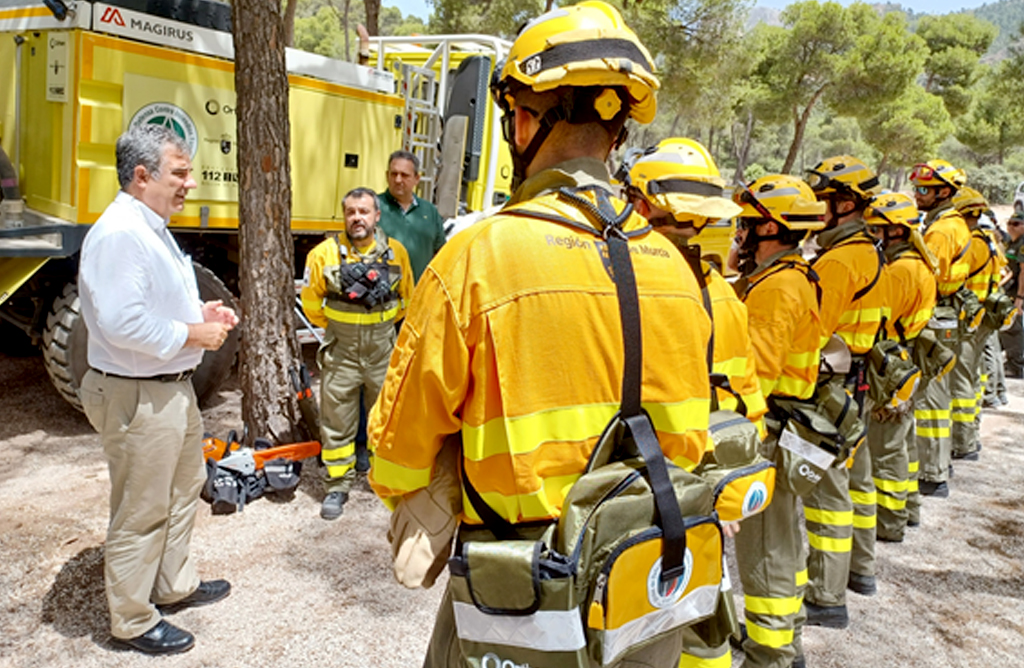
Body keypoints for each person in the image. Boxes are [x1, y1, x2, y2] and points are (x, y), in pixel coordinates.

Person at [368, 3, 715, 665]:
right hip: (650, 577)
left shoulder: (481, 256)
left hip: (524, 594)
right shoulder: (677, 269)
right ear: (617, 131)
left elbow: (396, 457)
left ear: (525, 119)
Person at [77, 125, 237, 655]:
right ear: (142, 176)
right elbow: (124, 325)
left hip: (166, 389)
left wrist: (199, 313)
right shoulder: (123, 233)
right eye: (180, 172)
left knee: (180, 488)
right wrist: (195, 334)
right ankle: (133, 619)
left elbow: (152, 306)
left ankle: (172, 585)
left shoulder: (148, 226)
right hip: (138, 394)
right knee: (142, 507)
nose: (190, 183)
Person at [625, 138, 768, 668]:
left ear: (641, 204)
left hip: (641, 489)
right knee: (702, 617)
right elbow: (747, 399)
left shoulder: (627, 281)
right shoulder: (724, 295)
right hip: (702, 488)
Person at [731, 174, 827, 668]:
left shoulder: (776, 288)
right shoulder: (792, 275)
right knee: (784, 540)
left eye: (748, 224)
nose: (740, 233)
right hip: (787, 425)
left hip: (767, 432)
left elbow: (758, 374)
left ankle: (768, 653)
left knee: (765, 546)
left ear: (771, 227)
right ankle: (783, 637)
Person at [802, 155, 888, 624]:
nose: (818, 209)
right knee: (858, 480)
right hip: (857, 381)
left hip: (834, 384)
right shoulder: (870, 249)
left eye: (824, 201)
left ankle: (826, 596)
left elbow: (815, 329)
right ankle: (861, 570)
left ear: (847, 203)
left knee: (828, 493)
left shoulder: (838, 260)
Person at [300, 188, 413, 520]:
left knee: (386, 419)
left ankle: (383, 481)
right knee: (337, 421)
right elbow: (311, 304)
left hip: (382, 352)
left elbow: (409, 299)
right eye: (350, 212)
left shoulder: (396, 254)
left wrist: (379, 325)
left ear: (377, 216)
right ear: (344, 216)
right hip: (341, 353)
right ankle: (337, 486)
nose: (357, 218)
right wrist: (341, 327)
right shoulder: (324, 255)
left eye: (364, 211)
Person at [862, 193, 938, 542]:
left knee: (885, 448)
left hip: (891, 366)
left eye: (876, 229)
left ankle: (889, 522)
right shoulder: (916, 264)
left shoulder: (901, 270)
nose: (872, 236)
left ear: (894, 232)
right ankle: (908, 508)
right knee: (901, 445)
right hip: (906, 361)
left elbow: (880, 317)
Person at [911, 159, 971, 498]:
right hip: (947, 313)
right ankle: (939, 462)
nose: (917, 195)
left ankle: (932, 474)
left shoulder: (941, 230)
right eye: (916, 188)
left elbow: (925, 277)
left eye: (924, 189)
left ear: (944, 192)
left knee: (931, 396)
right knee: (939, 391)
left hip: (936, 316)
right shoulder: (949, 222)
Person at [950, 187, 1002, 460]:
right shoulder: (991, 241)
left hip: (968, 320)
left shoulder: (972, 244)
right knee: (973, 376)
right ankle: (972, 434)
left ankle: (963, 441)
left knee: (960, 381)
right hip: (982, 318)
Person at [377, 150, 446, 282]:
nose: (398, 180)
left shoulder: (430, 211)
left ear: (416, 179)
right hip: (383, 296)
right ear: (387, 176)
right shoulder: (373, 207)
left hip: (419, 294)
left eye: (404, 175)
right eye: (394, 174)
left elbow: (440, 254)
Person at [999, 211, 1024, 378]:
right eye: (1009, 223)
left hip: (1017, 293)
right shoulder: (1011, 243)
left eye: (1016, 224)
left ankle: (1016, 365)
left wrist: (1020, 298)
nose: (1011, 227)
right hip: (1009, 290)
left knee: (1013, 328)